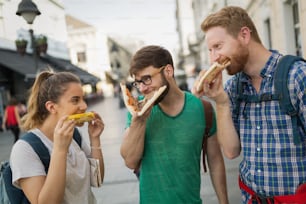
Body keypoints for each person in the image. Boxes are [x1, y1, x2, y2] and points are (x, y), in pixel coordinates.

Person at [192, 6, 306, 203]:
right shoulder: (233, 88)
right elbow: (231, 151)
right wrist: (220, 102)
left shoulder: (297, 76)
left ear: (244, 35)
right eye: (210, 50)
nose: (213, 58)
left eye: (218, 46)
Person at [120, 45, 229, 204]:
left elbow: (215, 160)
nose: (142, 88)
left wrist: (223, 201)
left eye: (147, 79)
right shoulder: (137, 113)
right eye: (138, 82)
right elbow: (130, 161)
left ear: (168, 71)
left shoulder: (202, 108)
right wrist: (139, 121)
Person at [9, 70, 105, 204]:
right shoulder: (24, 149)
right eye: (75, 100)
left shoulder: (75, 135)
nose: (84, 106)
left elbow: (97, 180)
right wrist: (60, 149)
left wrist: (95, 139)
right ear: (52, 107)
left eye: (83, 99)